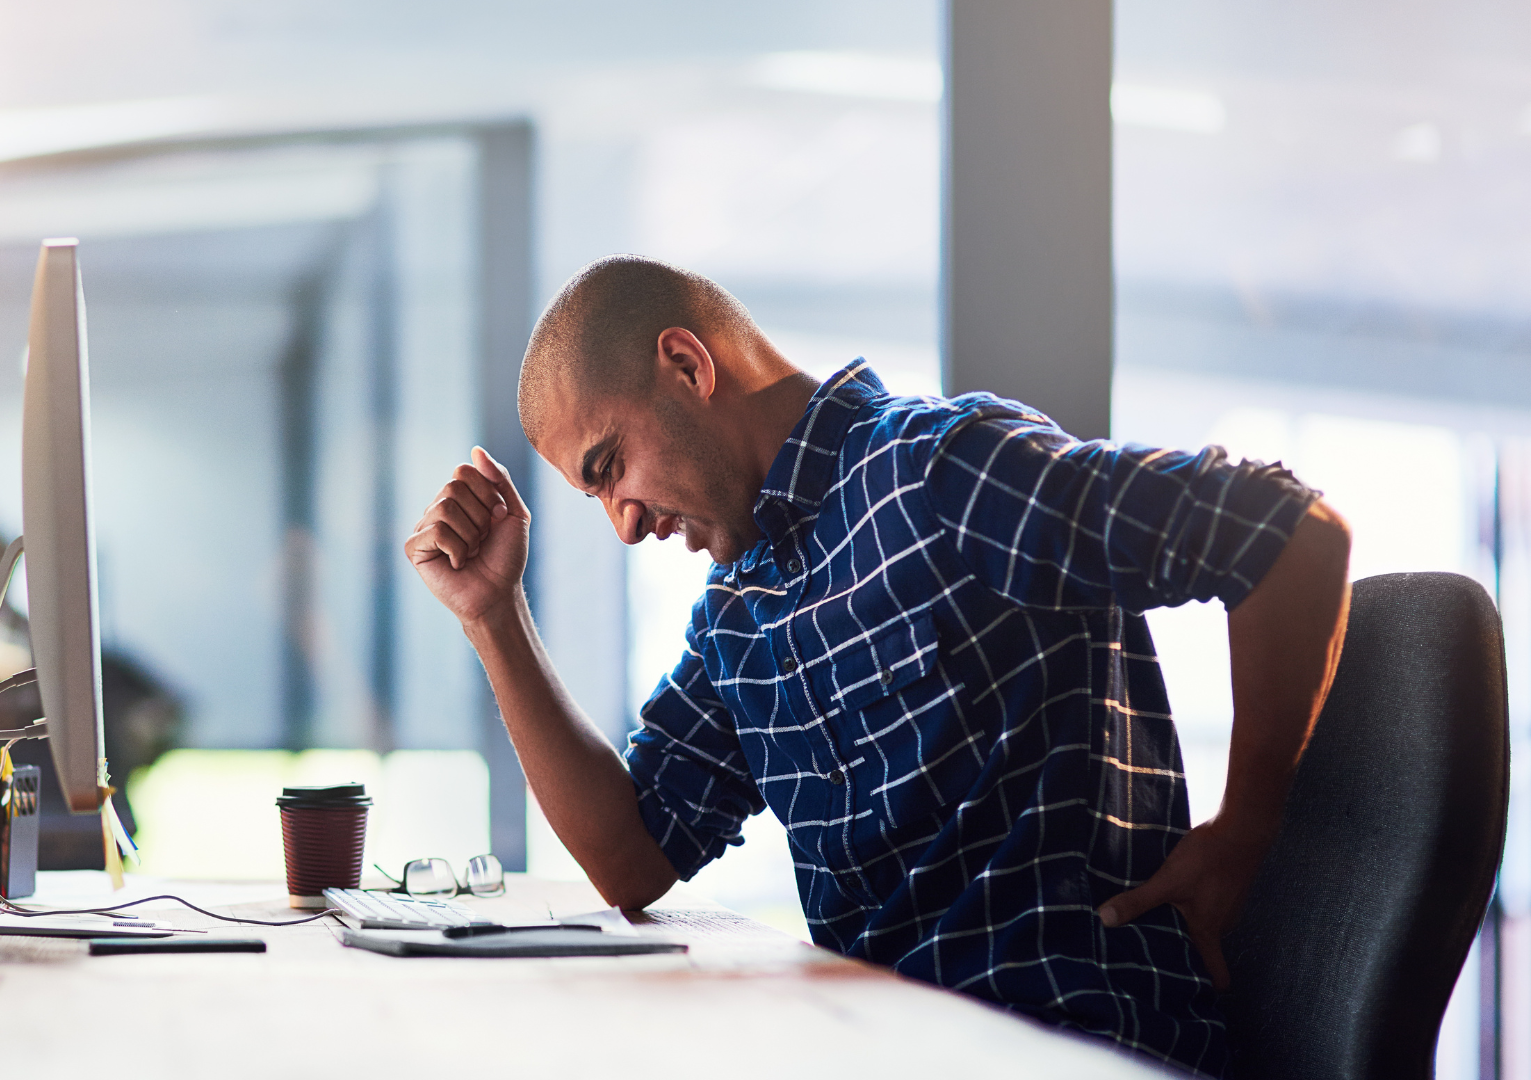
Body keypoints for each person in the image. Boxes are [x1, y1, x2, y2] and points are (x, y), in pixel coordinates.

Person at [404, 255, 1351, 1076]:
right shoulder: (741, 613)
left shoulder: (939, 471)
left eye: (609, 467)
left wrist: (1250, 826)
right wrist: (494, 616)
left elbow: (1288, 534)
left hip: (1067, 1041)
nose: (625, 523)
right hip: (887, 1048)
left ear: (687, 365)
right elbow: (630, 859)